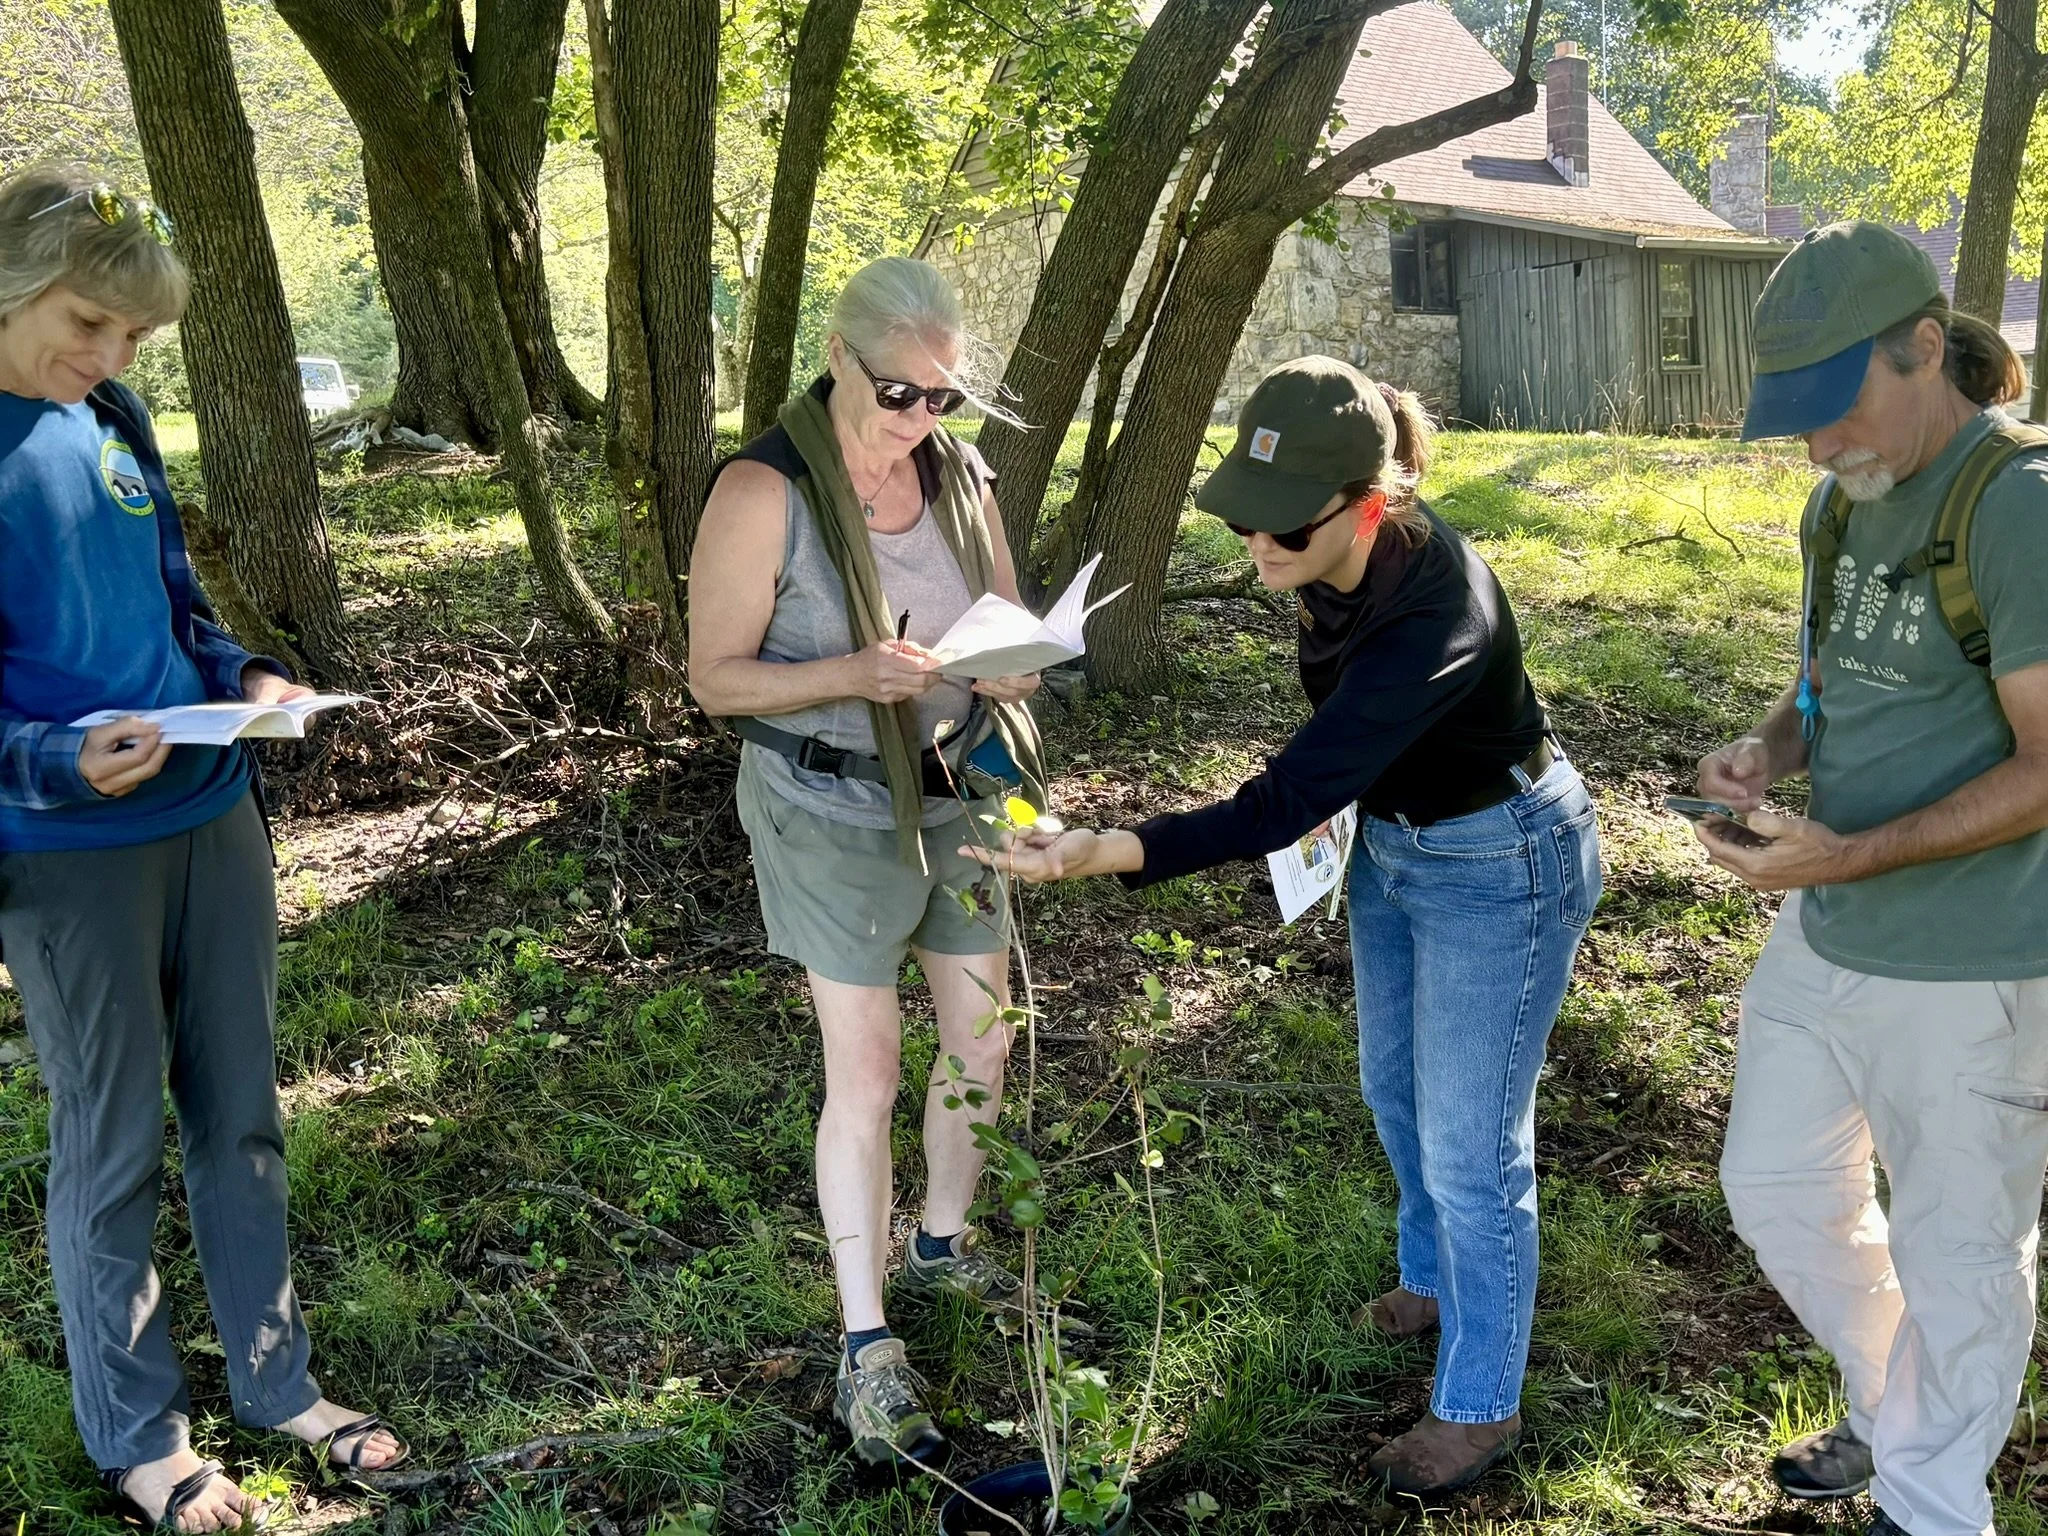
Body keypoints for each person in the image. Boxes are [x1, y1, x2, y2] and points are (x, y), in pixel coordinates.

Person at [970, 355, 1603, 1496]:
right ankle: (1432, 1280)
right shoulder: (1331, 550)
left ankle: (1477, 1406)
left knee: (1474, 1151)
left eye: (1282, 537)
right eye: (1244, 529)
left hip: (1498, 861)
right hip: (1397, 841)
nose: (1258, 554)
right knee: (1391, 1088)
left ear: (1365, 506)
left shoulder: (1434, 614)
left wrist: (1105, 847)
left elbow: (1286, 799)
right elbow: (1333, 772)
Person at [0, 164, 406, 1533]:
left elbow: (176, 598)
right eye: (88, 323)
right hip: (65, 851)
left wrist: (251, 676)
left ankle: (280, 1383)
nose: (113, 359)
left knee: (240, 1119)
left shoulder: (109, 414)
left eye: (134, 340)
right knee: (108, 1141)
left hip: (210, 811)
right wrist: (59, 757)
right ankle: (136, 1436)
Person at [1701, 221, 2048, 1536]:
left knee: (1962, 1261)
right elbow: (1822, 683)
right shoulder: (1837, 501)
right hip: (1829, 929)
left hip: (1978, 968)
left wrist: (1838, 854)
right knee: (1773, 1187)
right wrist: (1765, 749)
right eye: (1793, 418)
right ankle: (1890, 1402)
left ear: (1923, 348)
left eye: (1836, 407)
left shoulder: (2019, 508)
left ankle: (1929, 1504)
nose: (1816, 445)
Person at [688, 257, 1047, 1467]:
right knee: (871, 1068)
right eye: (900, 395)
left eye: (944, 398)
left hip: (953, 790)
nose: (920, 422)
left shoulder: (954, 469)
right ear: (838, 357)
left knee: (983, 1034)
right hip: (825, 801)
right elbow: (714, 680)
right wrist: (854, 672)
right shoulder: (761, 489)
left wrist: (1012, 667)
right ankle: (865, 1344)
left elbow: (1006, 613)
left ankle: (940, 1242)